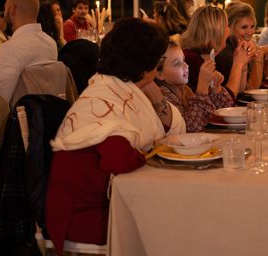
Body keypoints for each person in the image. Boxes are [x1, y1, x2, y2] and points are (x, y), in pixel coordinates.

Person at [46, 18, 185, 254]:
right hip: (84, 213)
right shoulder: (105, 98)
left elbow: (176, 131)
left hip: (105, 199)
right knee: (174, 220)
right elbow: (119, 159)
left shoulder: (117, 87)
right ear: (143, 66)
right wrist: (148, 154)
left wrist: (155, 97)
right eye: (158, 63)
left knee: (177, 209)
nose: (159, 69)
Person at [0, 0, 58, 103]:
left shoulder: (10, 48)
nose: (4, 16)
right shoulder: (51, 44)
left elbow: (0, 101)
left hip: (20, 117)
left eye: (5, 11)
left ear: (13, 10)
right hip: (48, 114)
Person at [156, 39, 231, 132]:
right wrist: (202, 87)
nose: (186, 65)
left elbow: (227, 112)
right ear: (159, 74)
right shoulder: (163, 96)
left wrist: (216, 88)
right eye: (177, 64)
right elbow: (190, 128)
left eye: (183, 60)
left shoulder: (185, 90)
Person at [180, 4, 251, 97]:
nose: (228, 30)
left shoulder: (214, 57)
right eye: (226, 26)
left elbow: (240, 92)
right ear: (217, 32)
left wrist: (243, 64)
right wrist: (238, 64)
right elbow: (227, 100)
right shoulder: (191, 60)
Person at [215, 1, 268, 92]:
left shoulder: (244, 45)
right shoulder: (226, 51)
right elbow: (251, 89)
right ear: (229, 27)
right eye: (244, 27)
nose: (250, 32)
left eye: (252, 26)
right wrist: (260, 52)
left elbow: (266, 80)